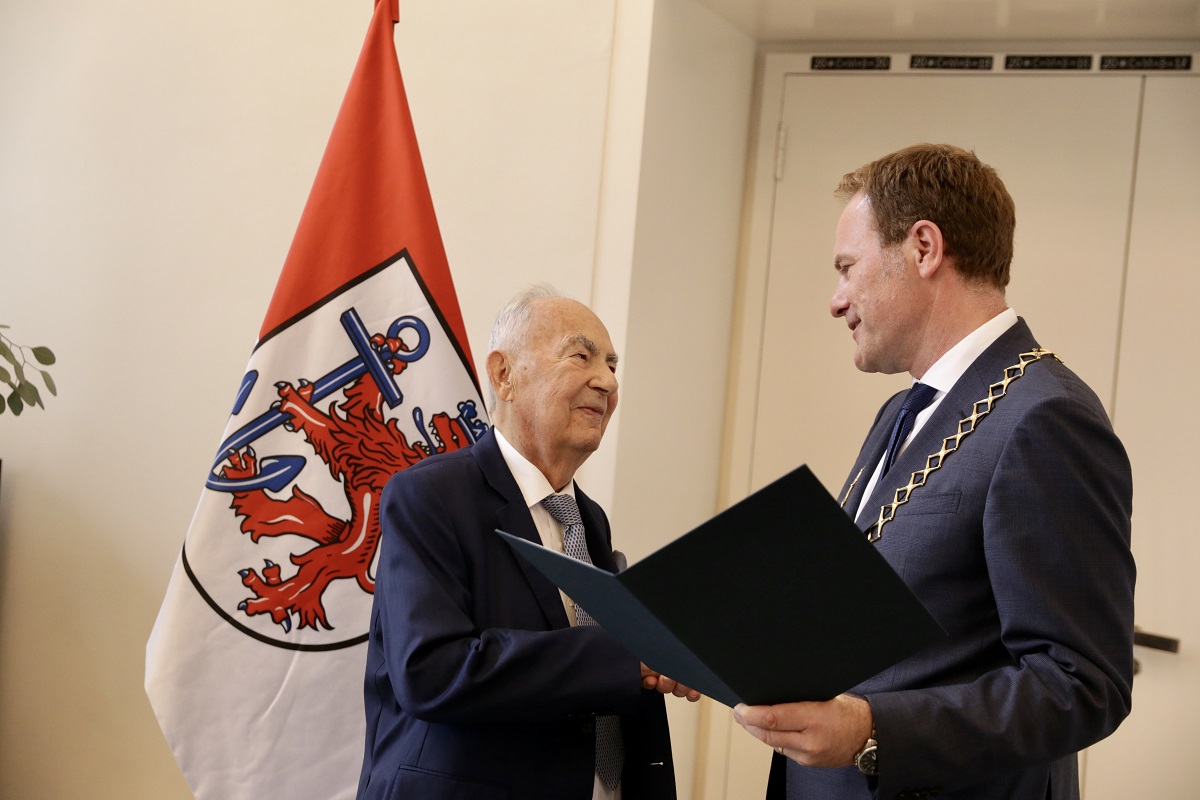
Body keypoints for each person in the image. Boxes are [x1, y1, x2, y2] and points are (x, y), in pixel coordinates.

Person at [734, 144, 1135, 799]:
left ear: (923, 247)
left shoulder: (1045, 417)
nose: (837, 301)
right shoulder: (902, 410)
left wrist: (871, 730)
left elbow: (1081, 684)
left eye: (847, 269)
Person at [357, 287, 696, 800]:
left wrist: (665, 657)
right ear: (504, 375)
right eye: (581, 356)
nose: (606, 380)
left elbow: (595, 676)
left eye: (611, 363)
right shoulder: (429, 496)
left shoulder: (591, 522)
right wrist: (628, 655)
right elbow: (431, 671)